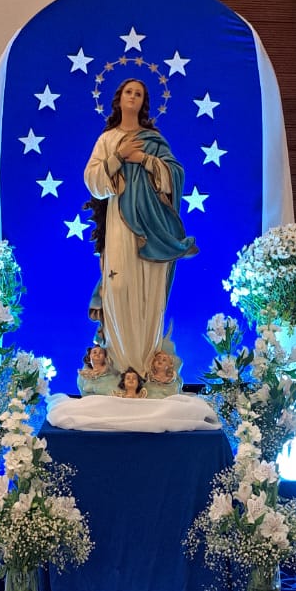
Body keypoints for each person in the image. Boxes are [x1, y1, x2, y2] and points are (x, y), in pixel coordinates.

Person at [84, 78, 197, 376]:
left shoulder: (154, 139)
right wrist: (119, 157)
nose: (133, 97)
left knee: (148, 290)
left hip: (153, 226)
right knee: (118, 286)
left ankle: (147, 367)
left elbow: (175, 176)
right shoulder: (108, 139)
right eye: (128, 92)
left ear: (144, 101)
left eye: (138, 93)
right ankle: (119, 365)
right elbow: (92, 180)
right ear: (119, 98)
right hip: (120, 222)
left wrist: (144, 159)